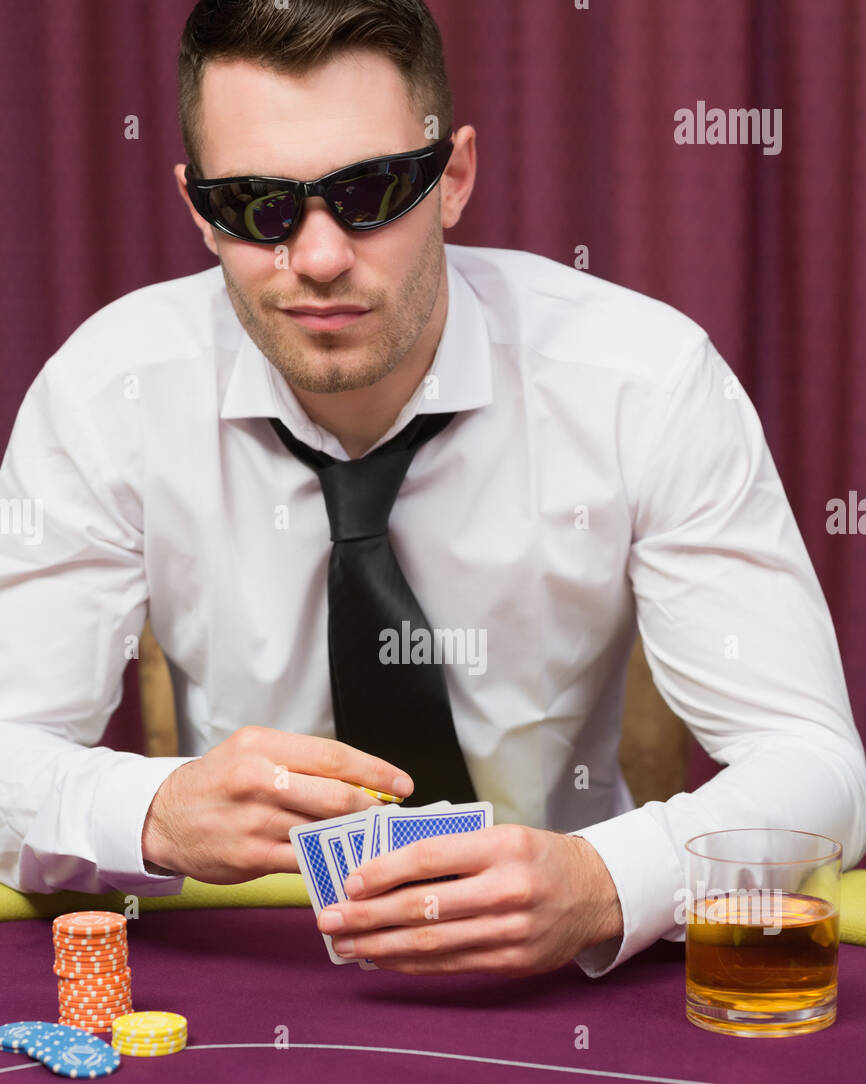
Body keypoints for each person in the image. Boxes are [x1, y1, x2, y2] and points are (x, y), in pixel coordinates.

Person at [1, 0, 864, 981]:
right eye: (259, 207)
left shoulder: (644, 382)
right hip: (251, 967)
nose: (318, 259)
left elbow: (817, 767)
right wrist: (151, 810)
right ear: (199, 209)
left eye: (369, 194)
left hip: (571, 970)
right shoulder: (106, 391)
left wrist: (601, 880)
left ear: (452, 178)